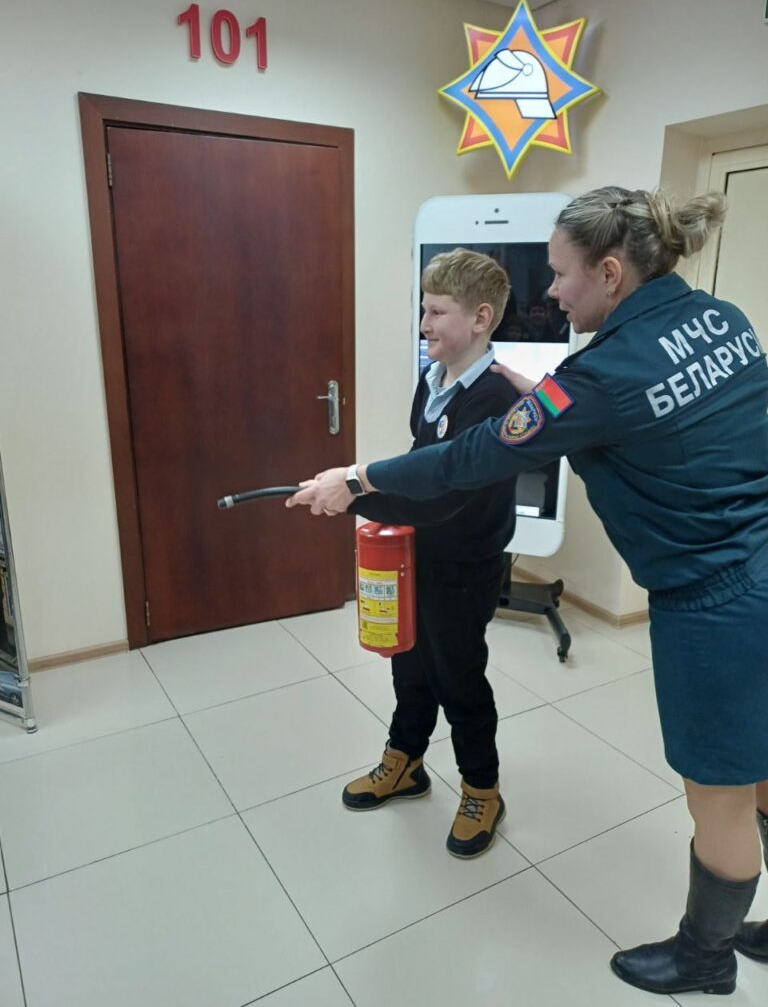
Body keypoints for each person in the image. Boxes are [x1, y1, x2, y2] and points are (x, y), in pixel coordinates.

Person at [287, 186, 768, 996]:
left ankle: (705, 957)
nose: (550, 291)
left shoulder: (600, 376)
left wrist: (358, 477)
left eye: (561, 273)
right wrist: (544, 395)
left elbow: (468, 458)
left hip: (713, 601)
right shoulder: (724, 320)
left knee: (718, 794)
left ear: (609, 273)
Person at [340, 247, 518, 859]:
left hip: (465, 561)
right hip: (417, 551)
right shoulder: (433, 379)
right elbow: (421, 463)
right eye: (424, 310)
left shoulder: (495, 398)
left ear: (481, 318)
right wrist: (369, 494)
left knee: (458, 676)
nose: (424, 324)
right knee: (408, 660)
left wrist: (352, 493)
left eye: (437, 312)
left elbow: (445, 498)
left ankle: (482, 790)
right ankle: (406, 761)